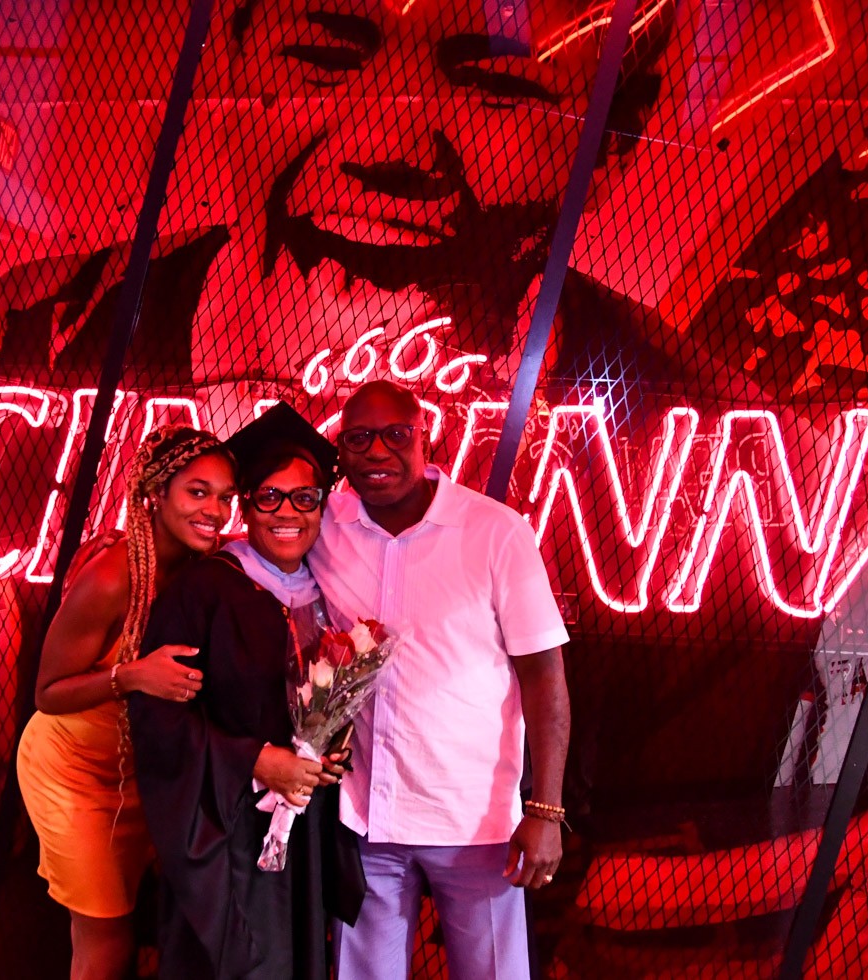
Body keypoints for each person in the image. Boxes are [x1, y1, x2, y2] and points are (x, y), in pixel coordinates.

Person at [306, 379, 571, 979]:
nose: (377, 452)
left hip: (475, 823)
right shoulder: (324, 527)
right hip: (367, 816)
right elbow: (261, 549)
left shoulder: (496, 532)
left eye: (396, 435)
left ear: (425, 435)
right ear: (340, 450)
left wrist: (546, 810)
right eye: (358, 439)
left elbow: (544, 676)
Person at [128, 401, 361, 979]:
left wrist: (328, 755)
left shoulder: (329, 595)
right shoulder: (203, 592)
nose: (288, 513)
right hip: (224, 834)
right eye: (268, 496)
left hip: (301, 833)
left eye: (305, 498)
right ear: (248, 507)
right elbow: (159, 720)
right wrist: (256, 762)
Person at [16, 425, 237, 980]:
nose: (215, 509)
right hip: (72, 772)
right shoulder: (112, 576)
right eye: (197, 491)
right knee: (106, 932)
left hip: (140, 777)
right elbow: (47, 693)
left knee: (143, 922)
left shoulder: (198, 567)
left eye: (225, 497)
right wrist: (131, 675)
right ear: (156, 493)